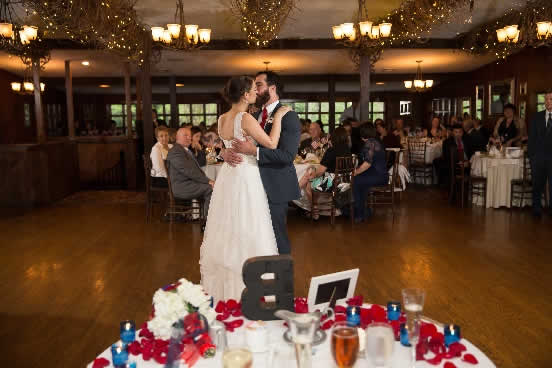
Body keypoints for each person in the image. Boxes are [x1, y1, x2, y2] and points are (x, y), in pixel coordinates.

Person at [201, 75, 292, 301]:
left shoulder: (222, 118)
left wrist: (223, 152)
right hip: (246, 176)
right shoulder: (245, 118)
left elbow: (219, 145)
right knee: (251, 224)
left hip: (228, 177)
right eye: (253, 89)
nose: (256, 92)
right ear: (245, 94)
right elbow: (271, 143)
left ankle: (228, 287)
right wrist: (279, 117)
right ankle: (254, 286)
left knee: (229, 225)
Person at [225, 70, 301, 256]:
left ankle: (283, 280)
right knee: (254, 236)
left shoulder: (288, 116)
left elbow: (287, 155)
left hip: (275, 185)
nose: (256, 90)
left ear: (272, 88)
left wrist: (254, 151)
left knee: (277, 236)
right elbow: (236, 141)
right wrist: (226, 152)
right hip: (250, 185)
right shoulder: (253, 115)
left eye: (259, 85)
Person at [298, 127, 351, 218]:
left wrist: (312, 175)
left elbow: (320, 171)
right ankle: (319, 208)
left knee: (308, 185)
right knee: (310, 178)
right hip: (345, 182)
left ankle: (314, 211)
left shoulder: (331, 150)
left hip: (333, 182)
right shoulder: (348, 150)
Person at [166, 127, 214, 228]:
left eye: (190, 136)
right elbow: (189, 171)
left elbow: (203, 162)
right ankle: (207, 223)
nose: (189, 138)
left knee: (214, 186)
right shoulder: (176, 151)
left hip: (190, 183)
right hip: (181, 187)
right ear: (177, 137)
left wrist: (201, 149)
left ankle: (210, 219)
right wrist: (208, 181)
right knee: (211, 189)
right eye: (186, 136)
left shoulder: (186, 149)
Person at [353, 124, 388, 223]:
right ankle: (364, 212)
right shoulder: (374, 142)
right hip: (378, 175)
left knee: (355, 180)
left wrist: (355, 172)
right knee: (360, 182)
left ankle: (359, 214)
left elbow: (367, 163)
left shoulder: (370, 143)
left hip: (378, 176)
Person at [528, 90, 552, 218]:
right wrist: (532, 157)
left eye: (551, 99)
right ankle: (536, 210)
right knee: (537, 185)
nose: (548, 102)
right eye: (546, 99)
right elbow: (531, 139)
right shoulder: (536, 117)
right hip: (538, 158)